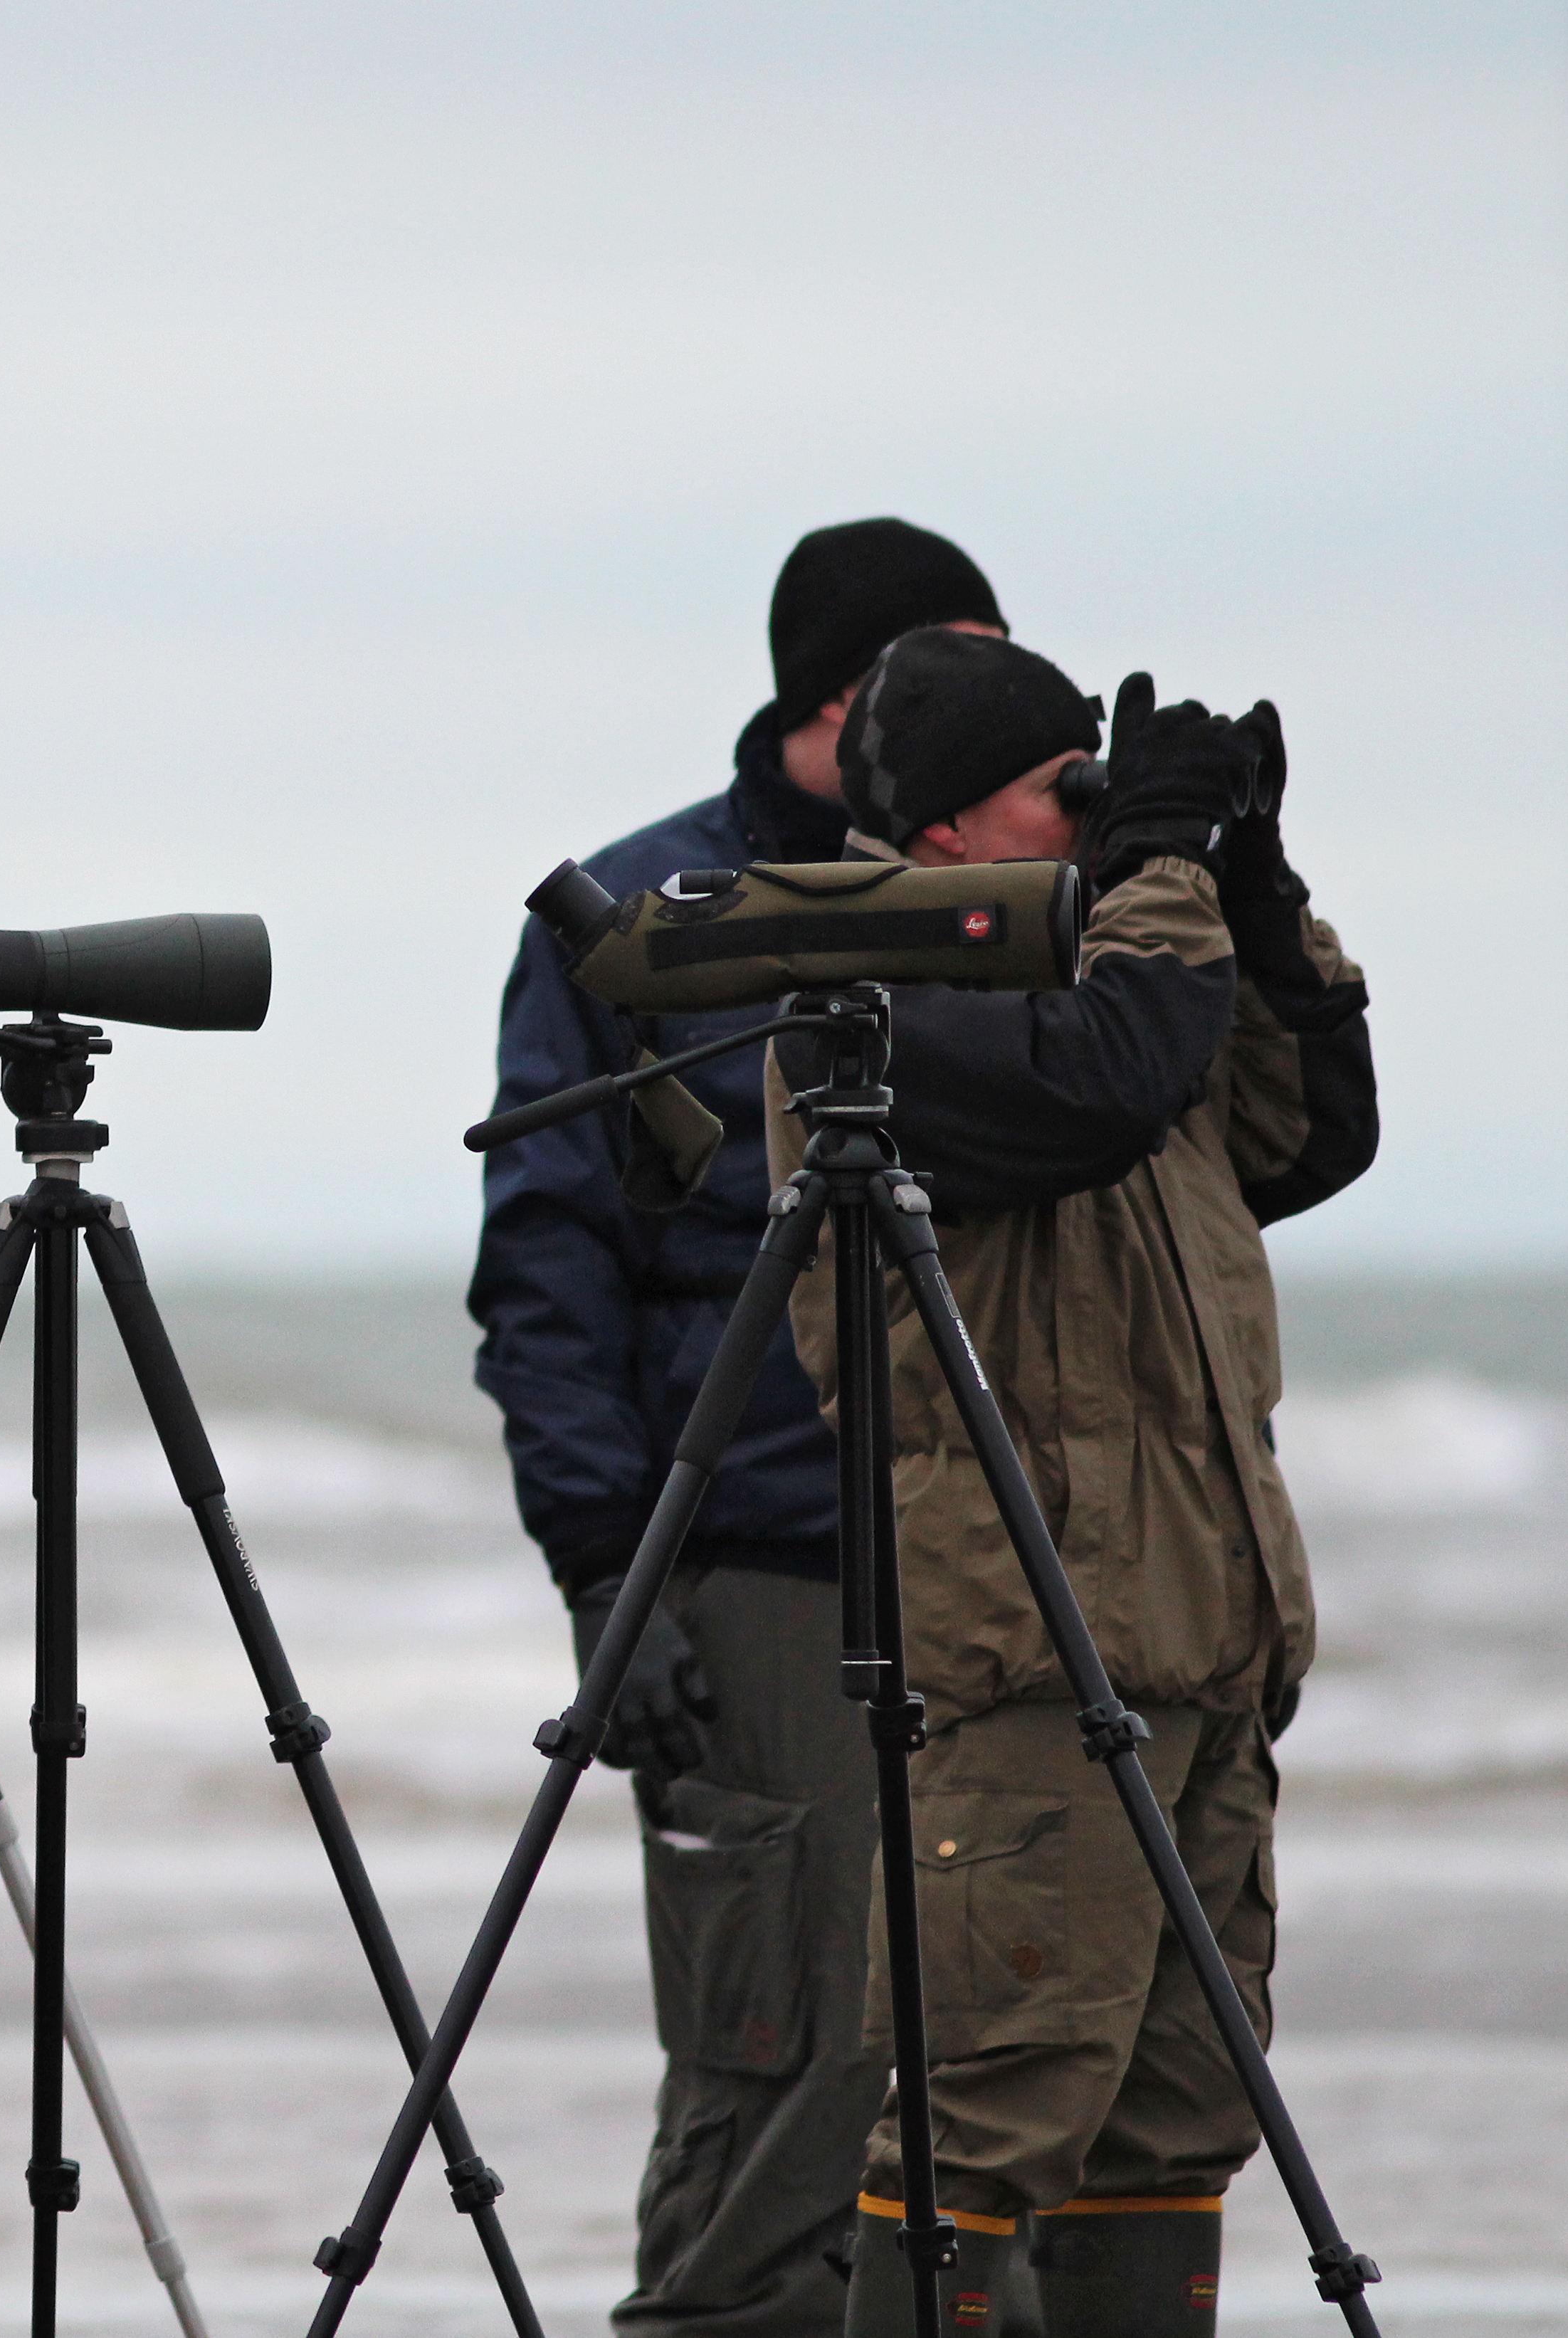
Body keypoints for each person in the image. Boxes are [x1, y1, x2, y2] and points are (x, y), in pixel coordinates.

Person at [778, 628, 1373, 2333]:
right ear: (951, 830)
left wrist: (1246, 887)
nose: (1103, 827)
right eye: (1071, 794)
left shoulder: (1122, 971)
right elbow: (1104, 1086)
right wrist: (1164, 876)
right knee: (983, 2114)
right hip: (1030, 1667)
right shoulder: (864, 1004)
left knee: (1170, 2117)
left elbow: (1308, 1128)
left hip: (1191, 1650)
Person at [468, 518, 1011, 2336]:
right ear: (833, 697)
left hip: (996, 1559)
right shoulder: (640, 923)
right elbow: (545, 1268)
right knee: (781, 2055)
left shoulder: (998, 904)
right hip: (755, 1565)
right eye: (934, 680)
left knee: (1002, 2053)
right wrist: (607, 1576)